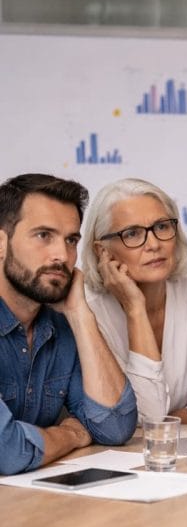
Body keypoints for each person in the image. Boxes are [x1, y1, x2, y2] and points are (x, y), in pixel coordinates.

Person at [0, 173, 137, 476]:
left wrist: (79, 314)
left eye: (71, 240)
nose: (62, 255)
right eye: (43, 236)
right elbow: (7, 452)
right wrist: (72, 434)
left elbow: (114, 426)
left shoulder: (61, 324)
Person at [82, 178, 187, 424]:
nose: (154, 244)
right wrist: (135, 309)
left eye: (161, 227)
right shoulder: (86, 307)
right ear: (102, 251)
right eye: (132, 233)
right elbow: (145, 418)